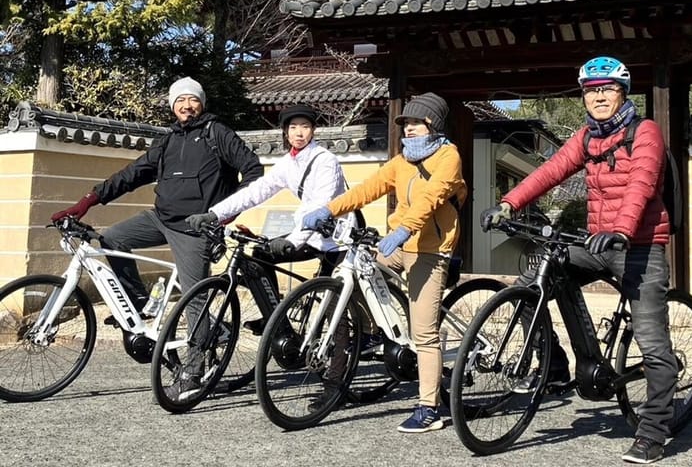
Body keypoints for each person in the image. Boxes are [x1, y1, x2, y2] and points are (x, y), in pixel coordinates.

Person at [481, 56, 677, 464]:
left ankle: (654, 431)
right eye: (591, 90)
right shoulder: (587, 136)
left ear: (622, 92)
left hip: (639, 245)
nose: (598, 96)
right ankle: (554, 368)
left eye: (606, 89)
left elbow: (641, 184)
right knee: (535, 281)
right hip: (597, 243)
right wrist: (508, 202)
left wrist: (622, 230)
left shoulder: (646, 132)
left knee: (653, 343)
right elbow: (551, 170)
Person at [303, 92, 467, 433]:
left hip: (430, 249)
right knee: (356, 270)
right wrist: (329, 209)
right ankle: (375, 330)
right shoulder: (401, 161)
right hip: (398, 244)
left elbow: (431, 196)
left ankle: (429, 408)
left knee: (424, 333)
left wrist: (405, 229)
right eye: (405, 124)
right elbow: (367, 189)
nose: (408, 130)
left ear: (432, 125)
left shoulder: (448, 156)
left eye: (415, 124)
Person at [50, 76, 264, 323]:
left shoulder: (217, 133)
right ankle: (139, 304)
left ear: (202, 104)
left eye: (193, 99)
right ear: (173, 106)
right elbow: (133, 174)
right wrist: (88, 200)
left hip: (195, 229)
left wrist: (227, 212)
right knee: (112, 238)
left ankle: (199, 356)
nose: (187, 105)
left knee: (194, 301)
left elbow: (253, 170)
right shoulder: (168, 140)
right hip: (160, 218)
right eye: (180, 100)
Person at [185, 103, 354, 333]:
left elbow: (319, 207)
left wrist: (293, 241)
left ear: (313, 130)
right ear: (285, 131)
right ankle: (273, 317)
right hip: (309, 234)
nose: (299, 132)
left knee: (333, 304)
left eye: (305, 126)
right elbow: (256, 191)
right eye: (293, 127)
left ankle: (341, 365)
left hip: (337, 236)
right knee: (260, 256)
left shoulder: (326, 160)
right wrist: (215, 213)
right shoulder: (288, 163)